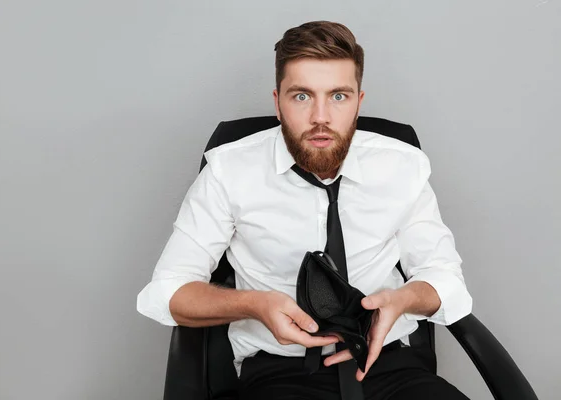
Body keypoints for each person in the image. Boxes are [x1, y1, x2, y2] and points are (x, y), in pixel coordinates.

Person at [137, 20, 472, 400]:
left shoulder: (402, 167)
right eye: (301, 97)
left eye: (338, 96)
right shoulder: (229, 172)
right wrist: (255, 305)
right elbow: (168, 292)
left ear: (359, 102)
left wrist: (402, 301)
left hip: (390, 366)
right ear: (277, 102)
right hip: (281, 374)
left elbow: (444, 279)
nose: (320, 117)